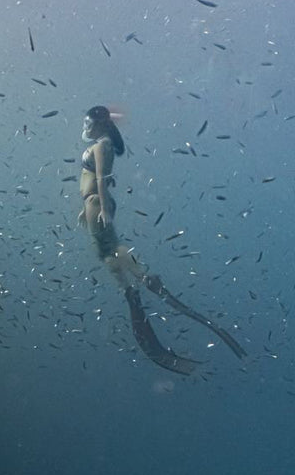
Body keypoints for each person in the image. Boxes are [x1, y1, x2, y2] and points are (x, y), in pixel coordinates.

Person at [78, 105, 245, 374]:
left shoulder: (103, 145)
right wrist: (88, 207)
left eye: (89, 121)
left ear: (102, 124)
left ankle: (139, 286)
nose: (86, 125)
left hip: (97, 205)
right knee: (110, 254)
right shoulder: (103, 143)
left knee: (110, 254)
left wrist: (102, 207)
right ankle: (141, 285)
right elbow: (96, 181)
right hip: (94, 205)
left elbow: (100, 178)